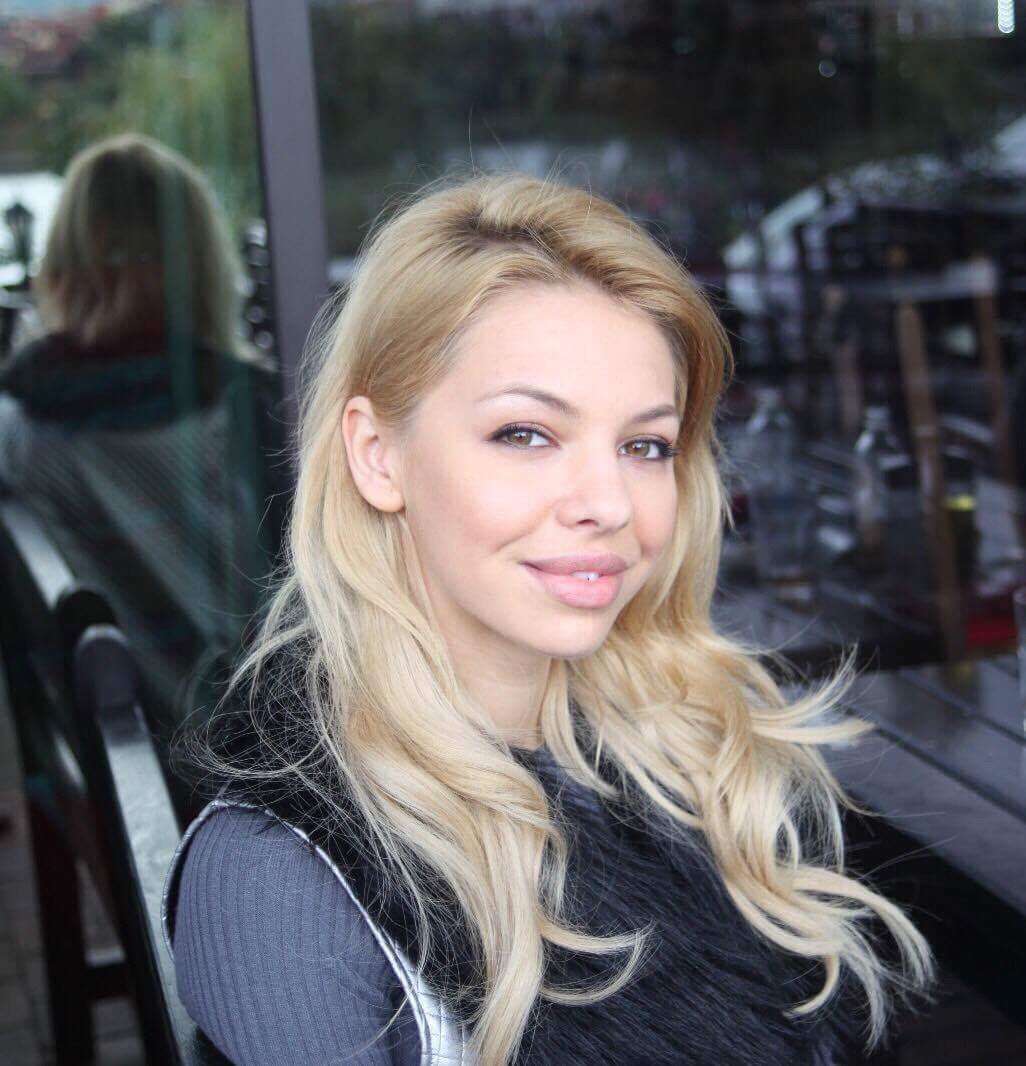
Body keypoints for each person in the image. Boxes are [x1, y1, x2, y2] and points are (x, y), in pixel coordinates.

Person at [164, 170, 938, 1065]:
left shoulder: (682, 749)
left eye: (645, 445)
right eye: (526, 434)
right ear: (377, 456)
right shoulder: (279, 876)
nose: (608, 503)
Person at [0, 133, 281, 811]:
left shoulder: (17, 430)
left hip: (123, 781)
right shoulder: (246, 414)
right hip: (258, 779)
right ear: (202, 262)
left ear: (64, 261)